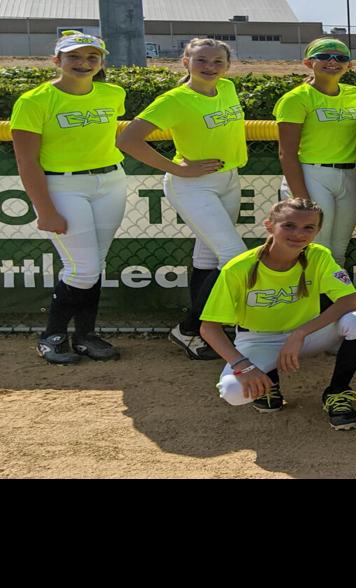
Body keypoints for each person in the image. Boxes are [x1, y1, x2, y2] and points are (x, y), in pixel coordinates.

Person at [117, 37, 247, 362]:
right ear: (185, 62)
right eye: (201, 60)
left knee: (208, 259)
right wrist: (177, 169)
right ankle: (243, 334)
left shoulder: (227, 88)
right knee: (235, 256)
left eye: (218, 62)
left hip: (228, 180)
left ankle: (190, 331)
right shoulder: (175, 99)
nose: (210, 67)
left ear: (227, 66)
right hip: (193, 186)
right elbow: (128, 139)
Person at [196, 198, 356, 429]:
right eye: (289, 225)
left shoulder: (318, 255)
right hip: (258, 340)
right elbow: (208, 329)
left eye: (308, 228)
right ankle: (268, 380)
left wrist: (300, 333)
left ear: (317, 231)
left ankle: (337, 392)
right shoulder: (238, 268)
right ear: (269, 225)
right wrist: (245, 366)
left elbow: (350, 300)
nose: (298, 234)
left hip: (307, 335)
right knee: (233, 392)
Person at [10, 30, 127, 364]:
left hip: (110, 181)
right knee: (84, 268)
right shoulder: (34, 101)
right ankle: (52, 336)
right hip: (63, 186)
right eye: (74, 57)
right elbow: (26, 160)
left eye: (92, 57)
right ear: (56, 60)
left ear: (101, 62)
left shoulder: (113, 93)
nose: (83, 63)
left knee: (94, 266)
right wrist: (44, 209)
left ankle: (85, 337)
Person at [274, 37, 356, 289]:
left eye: (340, 58)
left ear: (349, 65)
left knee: (338, 250)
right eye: (324, 56)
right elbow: (287, 153)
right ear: (308, 63)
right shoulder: (296, 98)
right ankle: (306, 310)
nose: (332, 61)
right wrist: (302, 197)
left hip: (349, 175)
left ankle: (332, 309)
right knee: (316, 247)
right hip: (312, 174)